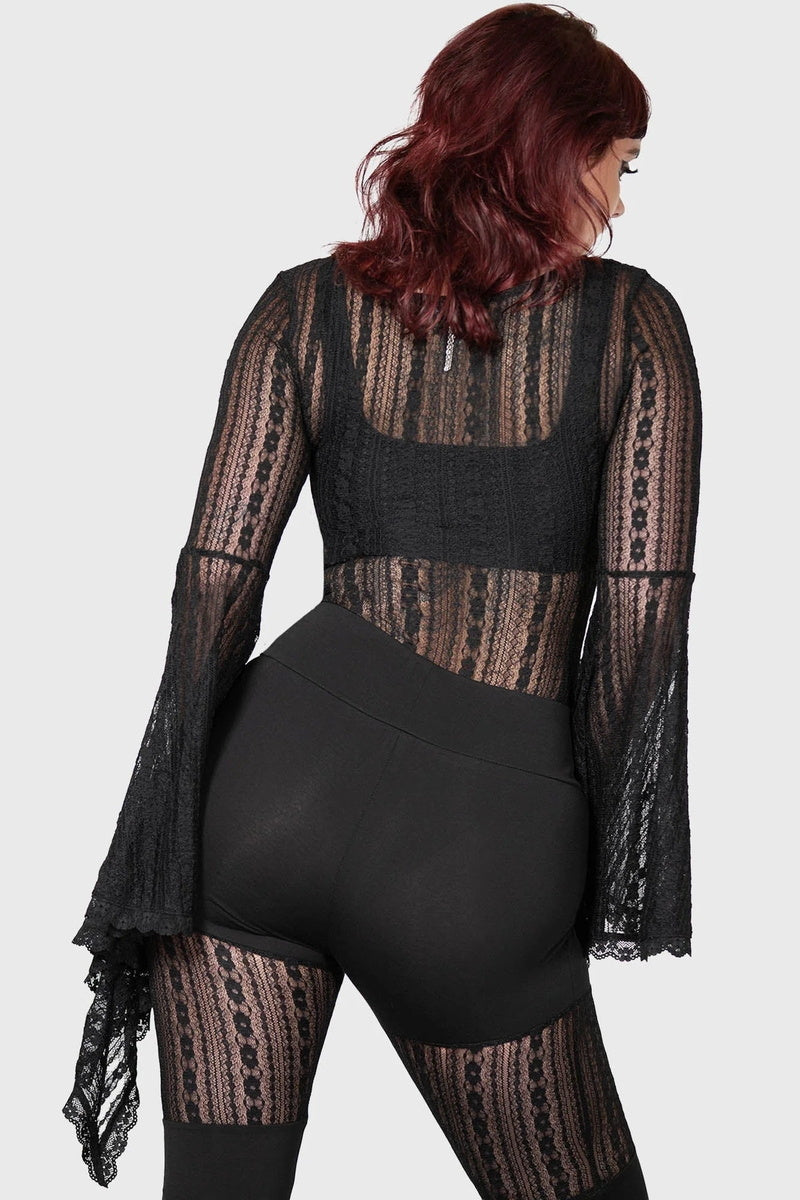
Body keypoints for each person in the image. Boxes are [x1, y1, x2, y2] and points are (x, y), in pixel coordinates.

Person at [62, 4, 702, 1197]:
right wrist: (582, 863)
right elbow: (642, 624)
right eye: (618, 165)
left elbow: (213, 587)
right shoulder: (634, 327)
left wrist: (161, 837)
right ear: (553, 149)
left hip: (261, 798)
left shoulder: (300, 308)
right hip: (480, 836)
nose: (619, 202)